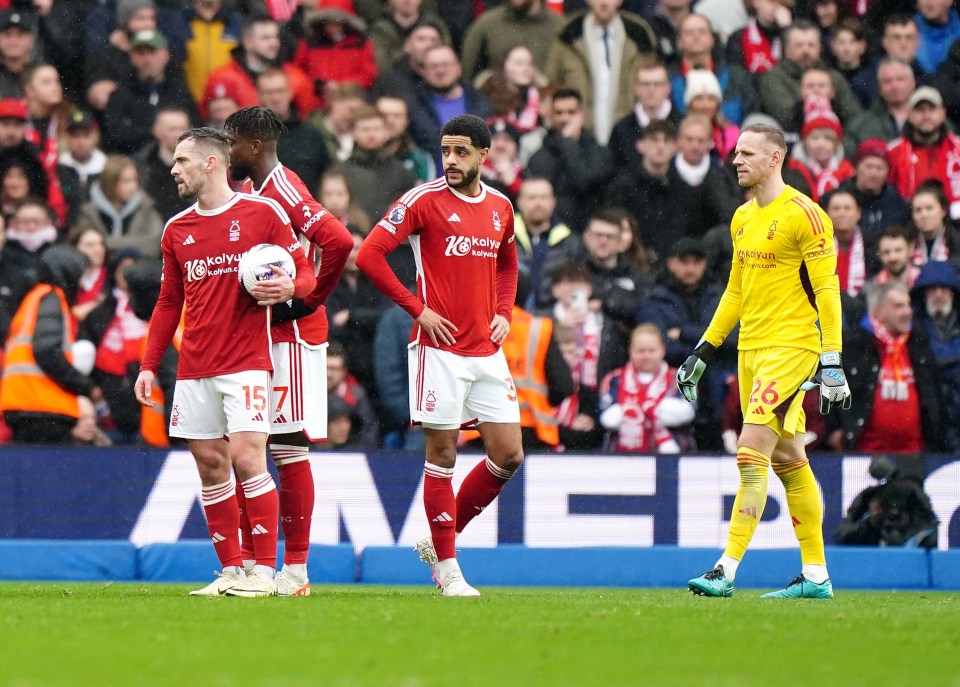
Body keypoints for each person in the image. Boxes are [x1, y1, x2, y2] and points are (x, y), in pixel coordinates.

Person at [135, 127, 317, 598]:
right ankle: (232, 570)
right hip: (195, 365)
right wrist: (149, 365)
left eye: (181, 161)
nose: (173, 169)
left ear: (211, 162)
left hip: (248, 362)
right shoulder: (176, 230)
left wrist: (288, 288)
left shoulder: (262, 213)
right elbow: (168, 302)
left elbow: (308, 274)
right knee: (210, 464)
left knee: (247, 456)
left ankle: (264, 572)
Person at [678, 123, 849, 600]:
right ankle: (816, 575)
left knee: (750, 454)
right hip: (751, 350)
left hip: (792, 348)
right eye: (735, 153)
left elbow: (828, 289)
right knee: (790, 459)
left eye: (748, 153)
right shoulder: (741, 218)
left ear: (777, 157)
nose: (737, 160)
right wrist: (704, 350)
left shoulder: (806, 216)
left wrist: (831, 358)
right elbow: (736, 290)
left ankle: (724, 570)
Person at [355, 114, 521, 597]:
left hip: (486, 350)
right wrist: (418, 308)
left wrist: (505, 311)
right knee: (442, 454)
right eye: (446, 151)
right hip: (438, 350)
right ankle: (448, 570)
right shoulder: (422, 201)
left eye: (462, 152)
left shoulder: (500, 207)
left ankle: (440, 537)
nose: (451, 160)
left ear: (483, 155)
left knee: (508, 454)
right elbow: (370, 254)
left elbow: (508, 262)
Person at [225, 105, 353, 597]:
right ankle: (253, 568)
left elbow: (338, 241)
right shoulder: (248, 191)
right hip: (257, 333)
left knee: (287, 446)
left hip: (292, 335)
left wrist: (307, 298)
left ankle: (294, 571)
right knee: (246, 447)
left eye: (232, 142)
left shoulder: (284, 189)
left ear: (253, 146)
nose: (226, 150)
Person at [0, 246, 104, 444]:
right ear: (68, 272)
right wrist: (86, 387)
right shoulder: (52, 297)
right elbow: (46, 351)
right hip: (44, 407)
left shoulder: (34, 298)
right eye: (79, 274)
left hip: (24, 404)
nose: (80, 284)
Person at [826, 281, 941, 452]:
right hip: (863, 457)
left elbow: (934, 393)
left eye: (908, 305)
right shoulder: (853, 343)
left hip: (915, 455)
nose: (908, 312)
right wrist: (834, 428)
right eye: (899, 306)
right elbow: (831, 382)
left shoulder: (918, 342)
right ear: (878, 311)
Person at [598, 323, 695, 453]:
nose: (646, 356)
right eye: (641, 351)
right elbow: (608, 419)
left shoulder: (682, 379)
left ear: (663, 350)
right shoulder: (613, 379)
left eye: (652, 350)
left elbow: (688, 413)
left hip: (672, 456)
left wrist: (644, 410)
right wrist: (648, 412)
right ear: (630, 351)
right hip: (622, 457)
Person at [910, 260, 960, 452]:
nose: (938, 294)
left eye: (944, 288)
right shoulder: (912, 330)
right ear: (923, 294)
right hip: (928, 419)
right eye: (932, 289)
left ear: (953, 293)